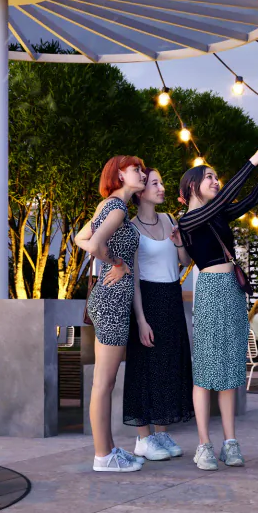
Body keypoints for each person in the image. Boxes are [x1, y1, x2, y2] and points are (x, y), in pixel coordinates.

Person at [176, 136, 258, 469]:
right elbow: (225, 198)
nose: (215, 181)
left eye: (216, 177)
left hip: (233, 292)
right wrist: (255, 159)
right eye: (209, 177)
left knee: (230, 366)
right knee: (206, 369)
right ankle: (204, 445)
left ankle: (230, 443)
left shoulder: (218, 215)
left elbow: (250, 199)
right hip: (209, 288)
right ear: (192, 185)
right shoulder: (187, 221)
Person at [77, 155, 149, 474]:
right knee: (103, 383)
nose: (142, 173)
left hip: (112, 301)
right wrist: (116, 262)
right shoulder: (117, 208)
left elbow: (80, 239)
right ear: (120, 174)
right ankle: (103, 456)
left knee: (103, 382)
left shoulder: (110, 207)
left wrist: (115, 260)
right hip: (110, 302)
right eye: (136, 169)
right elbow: (92, 245)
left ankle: (106, 452)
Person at [123, 168, 194, 459]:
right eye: (155, 184)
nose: (162, 188)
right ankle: (143, 437)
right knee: (144, 367)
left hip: (171, 296)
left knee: (169, 365)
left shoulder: (169, 219)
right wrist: (140, 319)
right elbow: (135, 277)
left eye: (162, 183)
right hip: (147, 298)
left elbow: (185, 261)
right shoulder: (130, 227)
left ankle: (161, 435)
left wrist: (179, 241)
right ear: (141, 193)